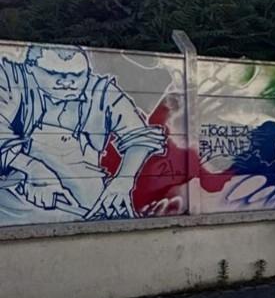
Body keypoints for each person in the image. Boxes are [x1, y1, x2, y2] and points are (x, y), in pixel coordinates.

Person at [0, 45, 166, 221]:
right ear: (31, 68)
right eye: (55, 73)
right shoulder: (12, 80)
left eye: (76, 75)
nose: (67, 82)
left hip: (86, 205)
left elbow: (140, 137)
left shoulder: (101, 92)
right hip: (17, 201)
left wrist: (123, 182)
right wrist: (33, 169)